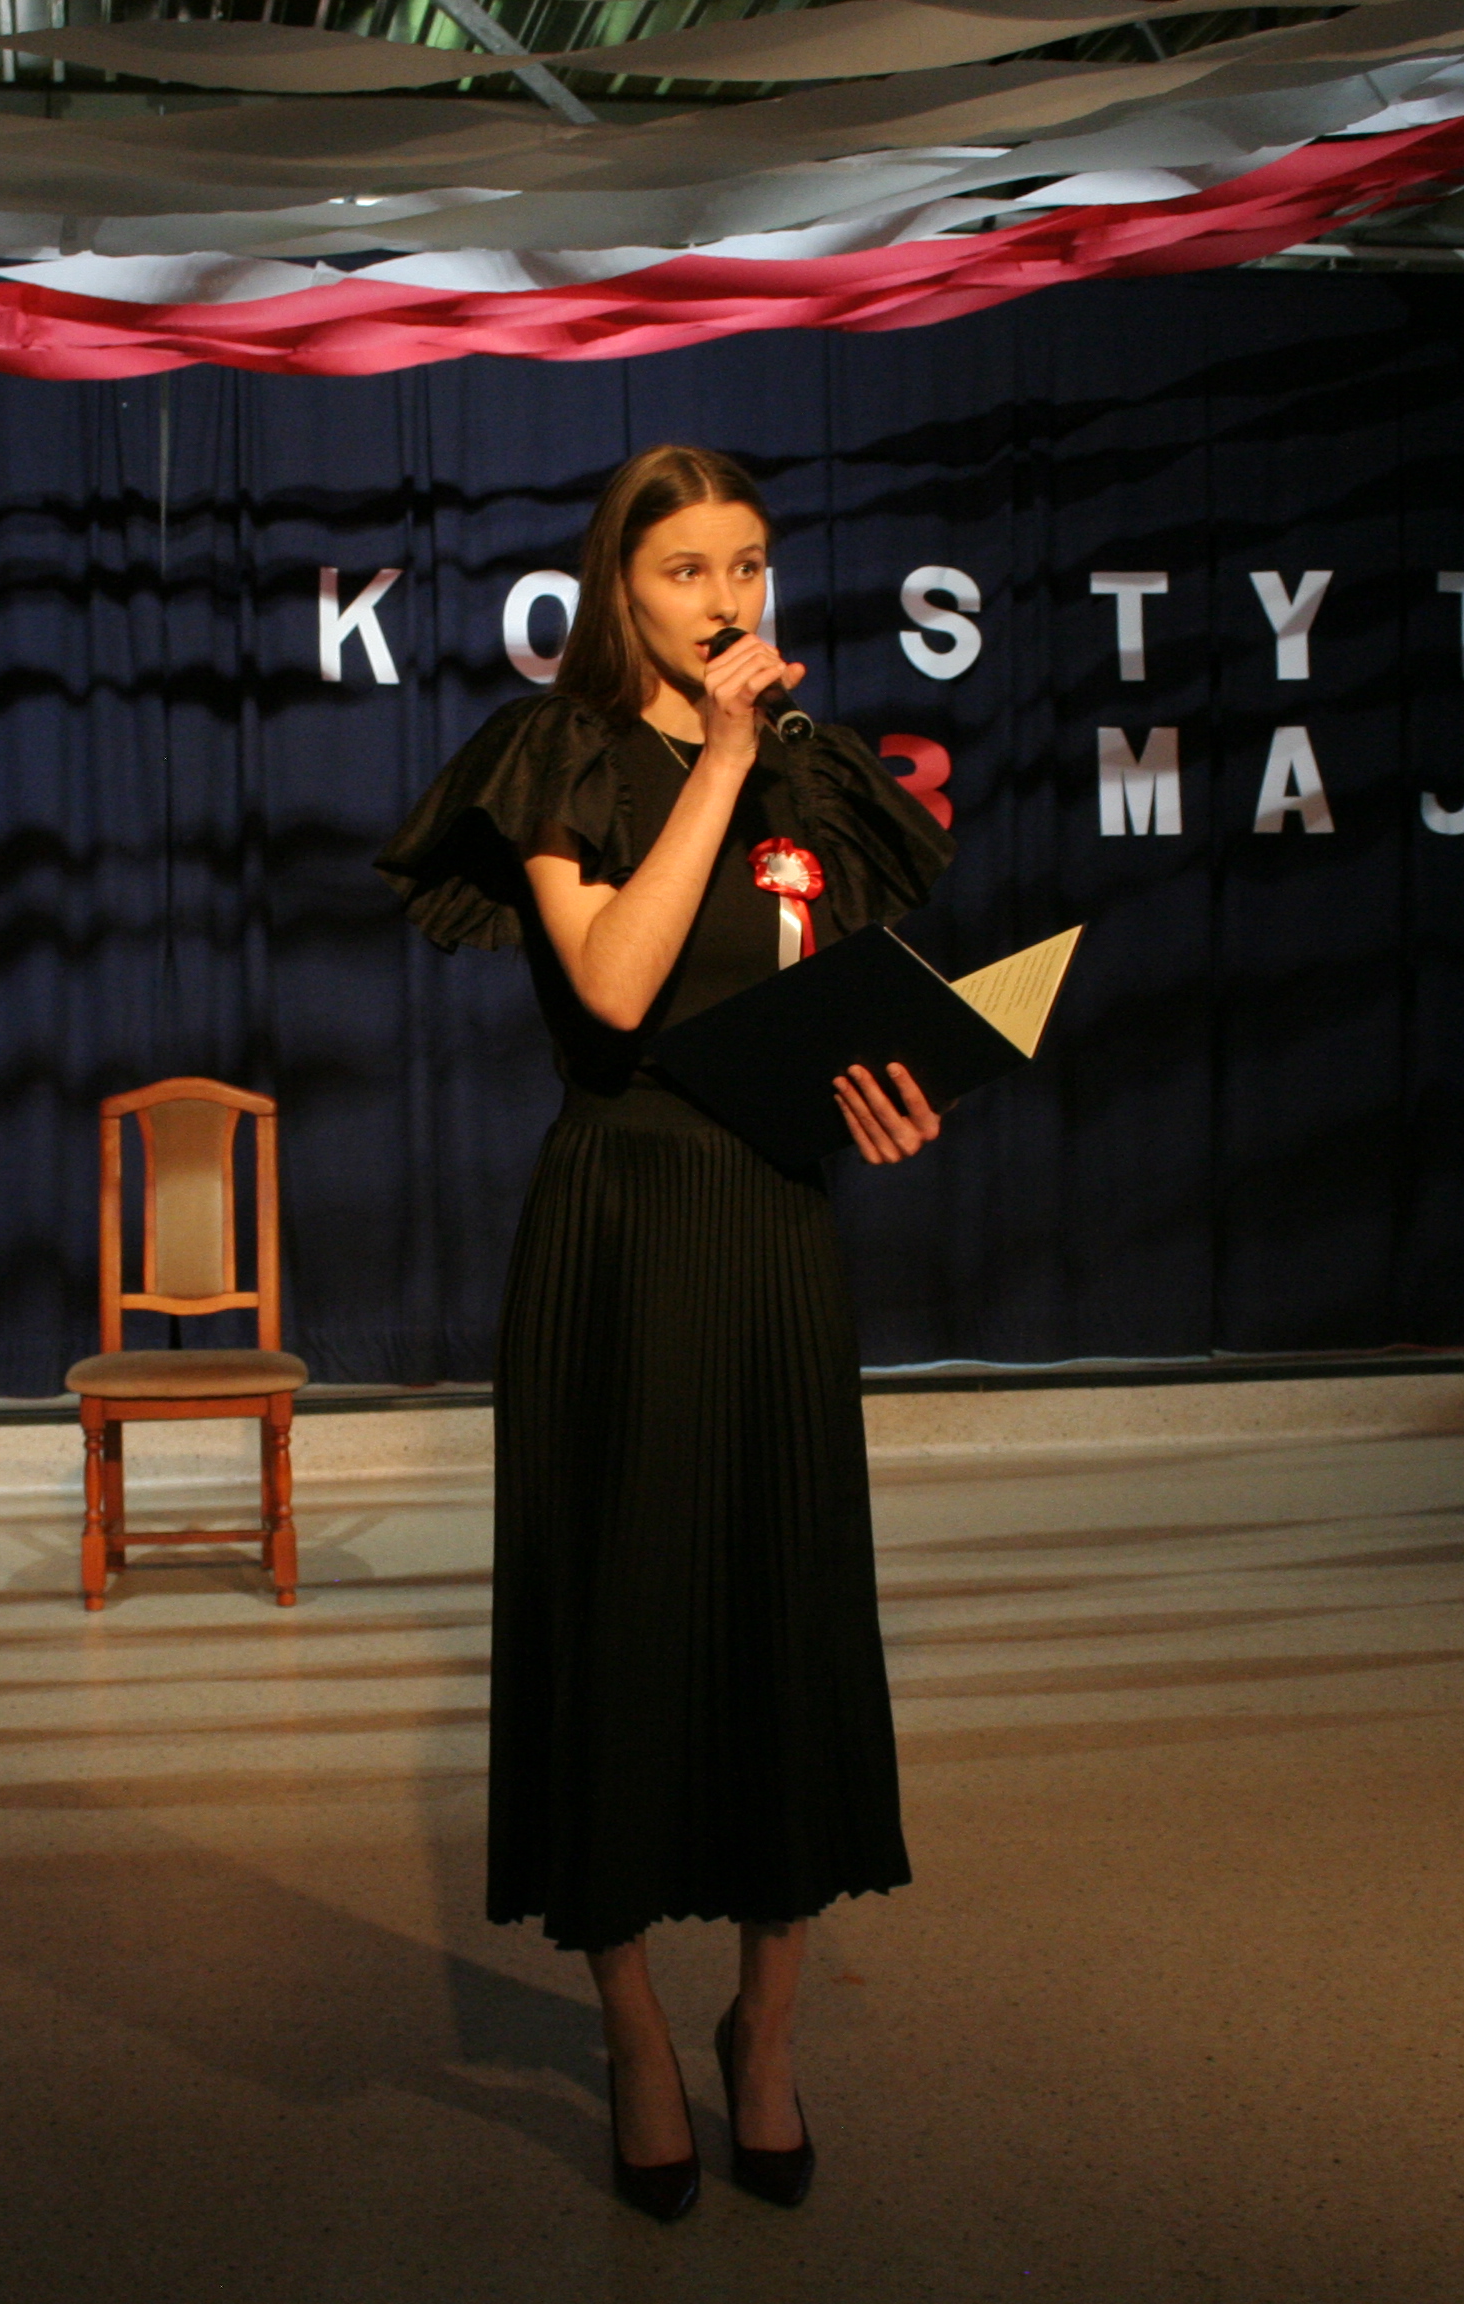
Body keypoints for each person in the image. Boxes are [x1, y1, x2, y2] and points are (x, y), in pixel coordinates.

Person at [375, 444, 954, 2220]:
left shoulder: (817, 775)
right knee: (616, 1615)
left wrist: (883, 1088)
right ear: (618, 588)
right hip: (620, 1222)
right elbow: (618, 985)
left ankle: (763, 2028)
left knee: (785, 1609)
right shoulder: (558, 755)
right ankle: (630, 2027)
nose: (727, 600)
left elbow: (815, 1004)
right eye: (687, 569)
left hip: (773, 1223)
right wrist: (712, 757)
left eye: (749, 564)